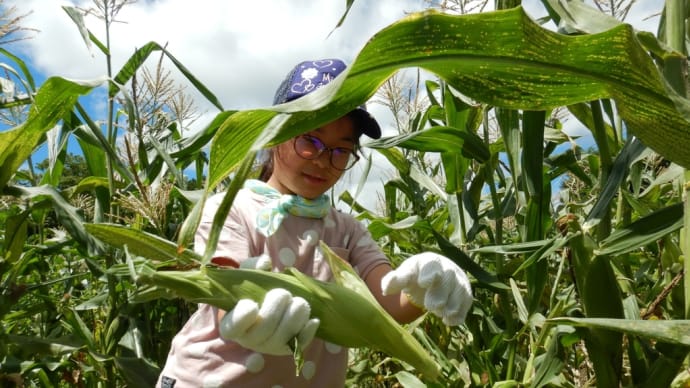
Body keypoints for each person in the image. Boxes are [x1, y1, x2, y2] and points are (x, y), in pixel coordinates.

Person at [156, 58, 473, 388]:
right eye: (309, 140)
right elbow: (224, 297)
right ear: (274, 134)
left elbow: (388, 300)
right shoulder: (229, 209)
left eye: (340, 151)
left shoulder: (347, 230)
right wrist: (250, 315)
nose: (323, 160)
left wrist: (424, 285)